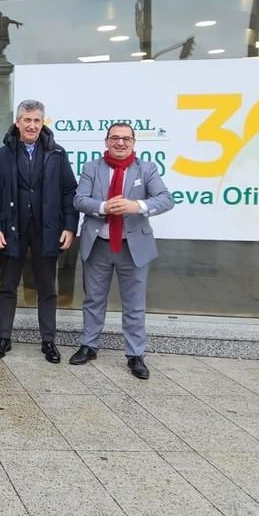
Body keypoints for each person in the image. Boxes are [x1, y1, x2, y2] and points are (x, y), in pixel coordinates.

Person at [71, 123, 174, 380]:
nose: (120, 143)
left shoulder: (147, 168)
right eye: (115, 138)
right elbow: (79, 200)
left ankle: (135, 354)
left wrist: (135, 205)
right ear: (106, 141)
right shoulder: (91, 168)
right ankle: (89, 345)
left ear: (133, 142)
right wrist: (105, 207)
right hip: (98, 246)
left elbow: (165, 199)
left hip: (133, 247)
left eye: (125, 139)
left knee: (134, 304)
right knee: (93, 299)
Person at [0, 99, 77, 362]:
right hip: (11, 230)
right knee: (7, 286)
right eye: (27, 120)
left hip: (47, 231)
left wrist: (70, 226)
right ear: (18, 122)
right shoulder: (2, 155)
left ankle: (48, 341)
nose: (32, 125)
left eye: (37, 120)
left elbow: (69, 191)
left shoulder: (56, 154)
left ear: (42, 123)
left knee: (47, 288)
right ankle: (4, 338)